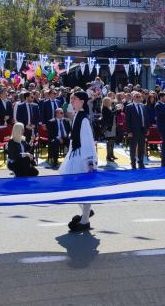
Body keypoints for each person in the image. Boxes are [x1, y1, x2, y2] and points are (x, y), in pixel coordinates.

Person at [60, 91, 98, 232]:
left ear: (82, 101)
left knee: (82, 189)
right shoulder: (77, 116)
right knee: (72, 188)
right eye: (71, 99)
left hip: (82, 158)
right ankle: (86, 212)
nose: (71, 101)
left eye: (74, 99)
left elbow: (87, 141)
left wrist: (89, 162)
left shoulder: (84, 119)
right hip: (74, 155)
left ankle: (85, 220)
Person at [124, 91, 148, 169]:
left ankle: (141, 162)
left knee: (141, 147)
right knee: (133, 148)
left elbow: (145, 118)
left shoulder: (143, 106)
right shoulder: (129, 106)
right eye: (136, 96)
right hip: (133, 131)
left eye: (139, 96)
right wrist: (129, 131)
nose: (138, 98)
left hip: (142, 130)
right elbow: (127, 120)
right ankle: (133, 163)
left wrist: (147, 128)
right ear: (133, 98)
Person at [100, 97, 117, 164]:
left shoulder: (108, 108)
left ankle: (111, 154)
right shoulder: (104, 108)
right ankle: (108, 156)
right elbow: (111, 115)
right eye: (109, 101)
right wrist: (116, 110)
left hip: (112, 126)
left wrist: (115, 109)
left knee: (112, 141)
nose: (111, 102)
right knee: (109, 142)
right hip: (108, 127)